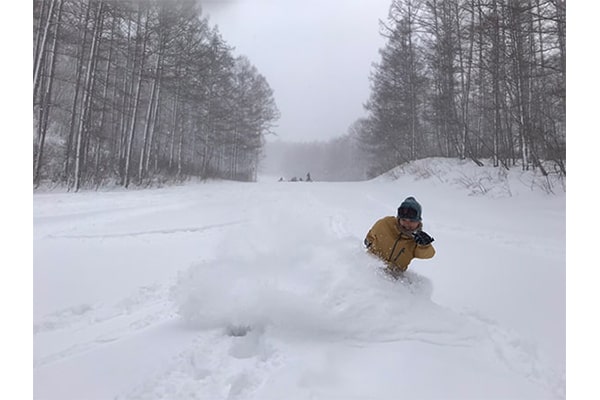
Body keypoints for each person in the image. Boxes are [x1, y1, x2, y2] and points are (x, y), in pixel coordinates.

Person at [364, 196, 435, 278]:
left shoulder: (417, 239)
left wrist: (425, 246)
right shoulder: (385, 223)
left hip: (393, 278)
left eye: (412, 221)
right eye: (404, 220)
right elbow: (370, 236)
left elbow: (429, 254)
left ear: (418, 221)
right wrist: (368, 243)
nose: (407, 224)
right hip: (370, 269)